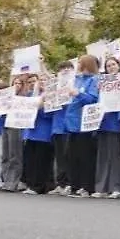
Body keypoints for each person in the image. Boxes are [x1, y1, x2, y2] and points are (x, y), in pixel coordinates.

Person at [66, 55, 101, 198]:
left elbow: (93, 99)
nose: (78, 64)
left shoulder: (94, 80)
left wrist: (78, 94)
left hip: (84, 123)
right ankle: (75, 185)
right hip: (72, 122)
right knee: (72, 156)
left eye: (80, 62)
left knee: (85, 156)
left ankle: (87, 186)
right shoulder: (76, 79)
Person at [96, 57, 120, 199]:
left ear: (119, 66)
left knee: (116, 157)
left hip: (116, 123)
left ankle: (117, 187)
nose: (111, 67)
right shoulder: (103, 82)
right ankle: (102, 187)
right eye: (108, 66)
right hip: (103, 123)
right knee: (103, 157)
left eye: (113, 64)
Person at [48, 62, 74, 195]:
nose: (64, 71)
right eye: (62, 69)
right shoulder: (55, 86)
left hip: (68, 126)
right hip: (57, 126)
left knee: (67, 156)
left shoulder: (74, 84)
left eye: (68, 68)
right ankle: (60, 183)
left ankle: (68, 183)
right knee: (59, 157)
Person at [0, 75, 28, 193]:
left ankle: (13, 182)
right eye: (15, 83)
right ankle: (6, 181)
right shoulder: (6, 98)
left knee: (14, 155)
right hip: (6, 125)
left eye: (19, 83)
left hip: (16, 125)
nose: (16, 85)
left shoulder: (24, 97)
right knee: (5, 155)